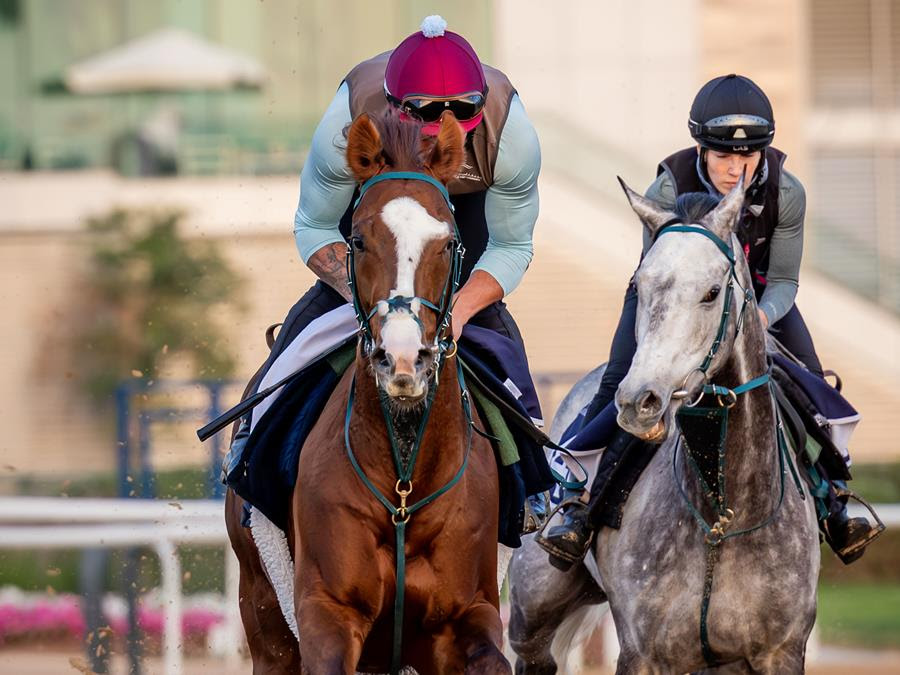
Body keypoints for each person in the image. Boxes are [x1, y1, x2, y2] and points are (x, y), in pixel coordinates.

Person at [540, 74, 881, 568]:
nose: (736, 168)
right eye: (723, 157)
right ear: (700, 149)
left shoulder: (788, 192)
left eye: (748, 157)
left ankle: (836, 500)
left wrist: (756, 318)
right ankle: (578, 506)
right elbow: (659, 277)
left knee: (811, 380)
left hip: (762, 302)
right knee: (621, 382)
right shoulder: (665, 188)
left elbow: (784, 280)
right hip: (671, 299)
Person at [222, 15, 541, 493]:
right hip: (374, 214)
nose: (439, 129)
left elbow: (511, 245)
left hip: (459, 218)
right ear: (394, 106)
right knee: (302, 335)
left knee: (498, 340)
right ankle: (250, 441)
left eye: (457, 113)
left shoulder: (511, 137)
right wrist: (371, 299)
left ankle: (538, 477)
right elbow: (313, 225)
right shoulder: (348, 125)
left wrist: (460, 310)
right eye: (425, 113)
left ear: (479, 106)